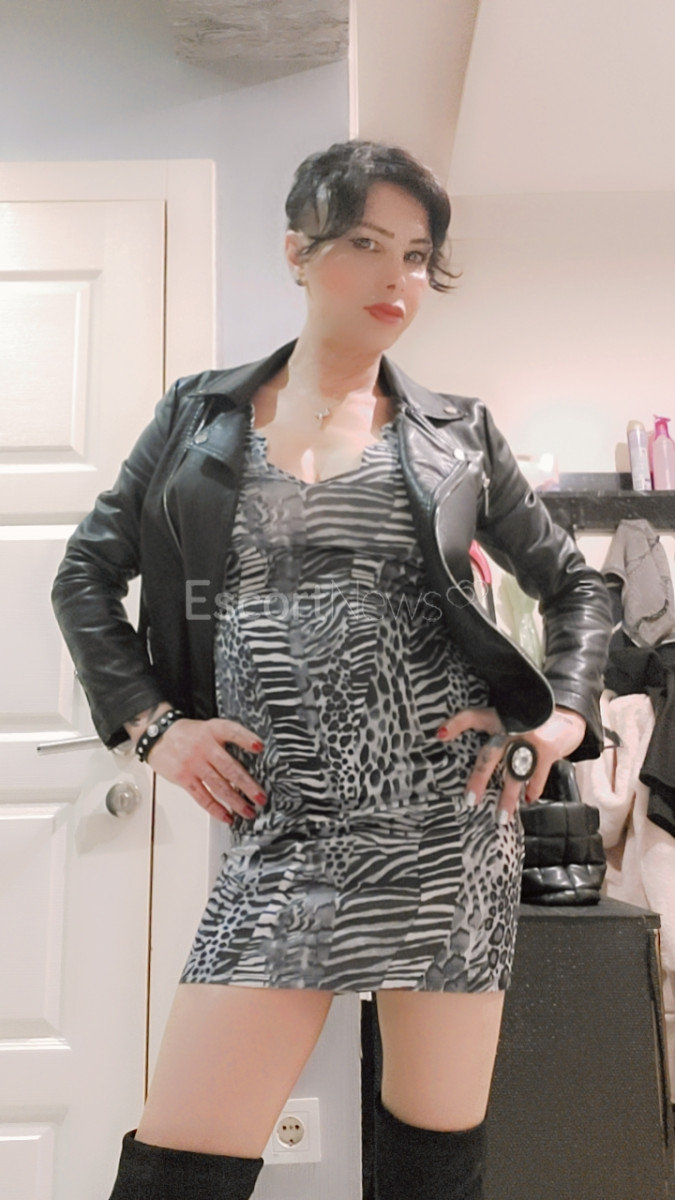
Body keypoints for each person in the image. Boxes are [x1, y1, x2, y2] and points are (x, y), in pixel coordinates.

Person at [52, 140, 611, 1200]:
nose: (397, 277)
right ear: (298, 253)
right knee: (181, 1166)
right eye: (364, 244)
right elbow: (86, 573)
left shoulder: (457, 432)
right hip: (287, 823)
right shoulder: (197, 416)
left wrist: (558, 721)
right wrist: (153, 726)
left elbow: (577, 586)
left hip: (447, 824)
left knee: (430, 1161)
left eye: (417, 255)